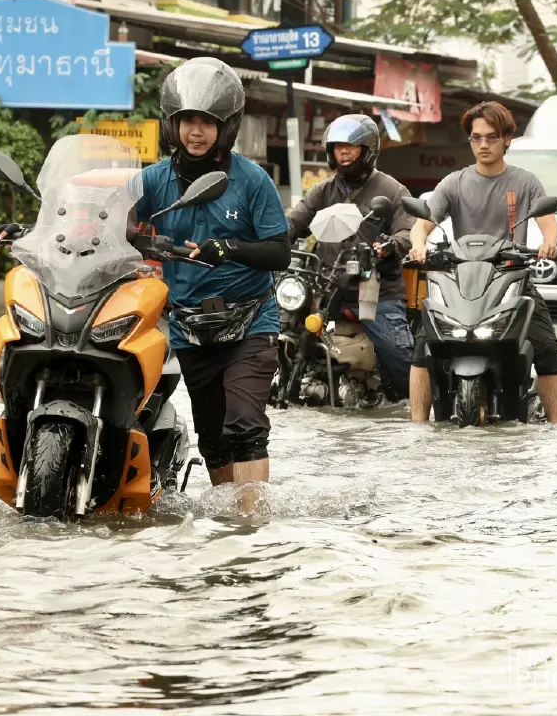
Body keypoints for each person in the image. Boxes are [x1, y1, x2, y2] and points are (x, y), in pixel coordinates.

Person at [132, 57, 290, 511]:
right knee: (214, 439)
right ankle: (224, 524)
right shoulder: (153, 180)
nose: (195, 132)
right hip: (190, 327)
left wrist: (230, 249)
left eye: (207, 122)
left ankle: (252, 524)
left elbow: (279, 252)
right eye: (187, 122)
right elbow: (107, 220)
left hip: (250, 322)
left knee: (245, 426)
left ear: (227, 127)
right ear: (172, 124)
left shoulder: (253, 181)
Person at [406, 100, 557, 423]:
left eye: (491, 137)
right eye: (476, 138)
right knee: (423, 348)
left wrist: (548, 245)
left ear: (507, 138)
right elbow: (420, 226)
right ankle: (418, 428)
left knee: (549, 352)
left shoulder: (526, 183)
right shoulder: (454, 183)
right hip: (460, 284)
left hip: (513, 280)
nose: (483, 144)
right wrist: (419, 246)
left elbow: (550, 228)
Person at [285, 114, 416, 401]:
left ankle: (406, 403)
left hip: (376, 289)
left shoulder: (391, 190)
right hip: (326, 284)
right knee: (281, 332)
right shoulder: (323, 190)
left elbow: (408, 231)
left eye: (351, 146)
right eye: (337, 147)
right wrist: (269, 241)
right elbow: (293, 222)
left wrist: (389, 246)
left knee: (397, 353)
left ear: (367, 150)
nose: (343, 152)